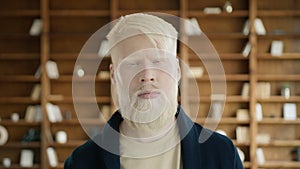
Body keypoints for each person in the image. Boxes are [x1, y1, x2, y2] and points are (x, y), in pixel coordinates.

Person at [64, 13, 244, 169]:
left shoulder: (223, 155)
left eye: (158, 62)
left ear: (177, 70)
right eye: (133, 64)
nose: (147, 75)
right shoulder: (81, 162)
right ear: (114, 75)